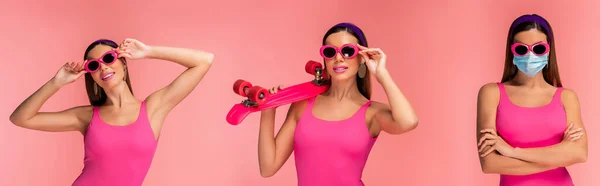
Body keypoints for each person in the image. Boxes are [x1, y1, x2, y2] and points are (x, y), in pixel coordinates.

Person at [9, 38, 214, 185]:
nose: (103, 68)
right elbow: (20, 118)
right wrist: (57, 82)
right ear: (92, 75)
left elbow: (204, 60)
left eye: (108, 58)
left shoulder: (153, 108)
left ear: (123, 63)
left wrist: (148, 52)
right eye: (94, 65)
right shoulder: (87, 116)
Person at [257, 22, 419, 186]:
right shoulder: (302, 105)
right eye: (330, 52)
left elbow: (408, 122)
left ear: (362, 57)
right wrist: (268, 111)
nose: (338, 58)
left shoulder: (372, 113)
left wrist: (381, 74)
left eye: (348, 51)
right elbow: (268, 168)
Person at [476, 14, 588, 186]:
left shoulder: (567, 97)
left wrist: (512, 152)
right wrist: (559, 155)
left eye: (538, 49)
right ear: (512, 50)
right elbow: (490, 164)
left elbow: (580, 153)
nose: (530, 55)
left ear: (549, 50)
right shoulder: (492, 93)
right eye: (522, 49)